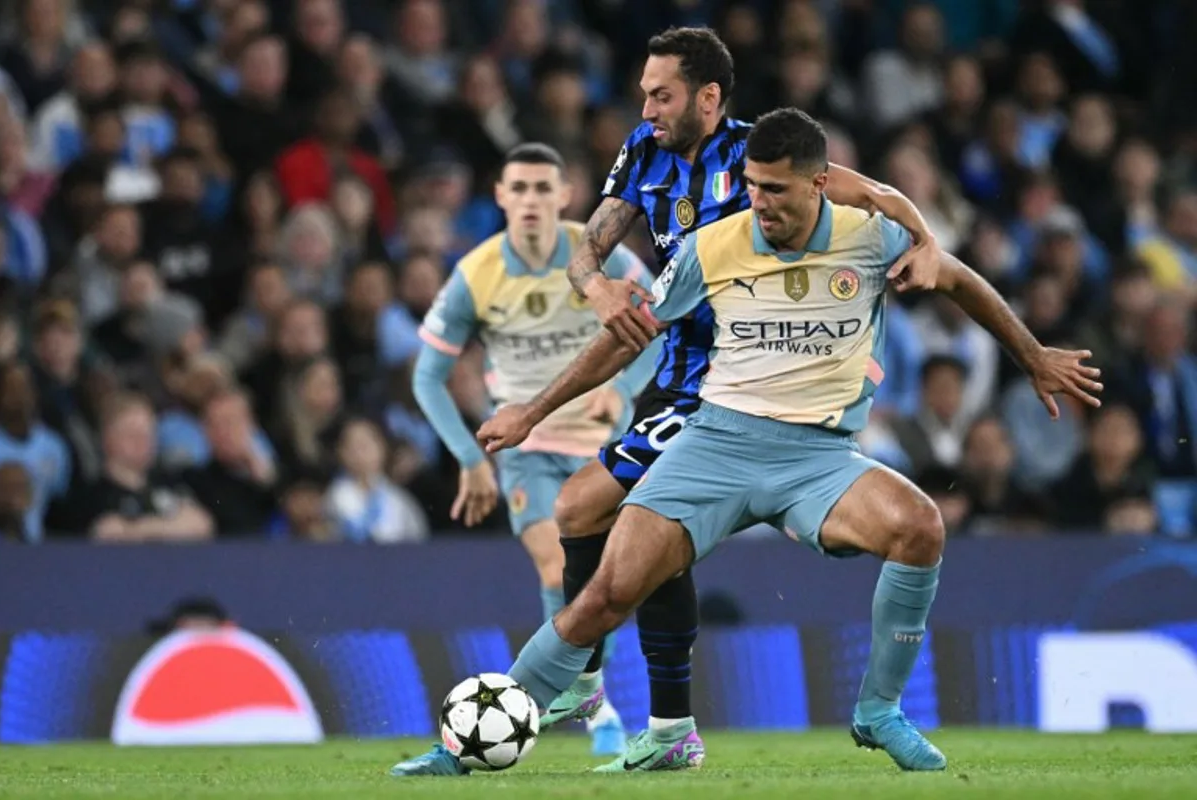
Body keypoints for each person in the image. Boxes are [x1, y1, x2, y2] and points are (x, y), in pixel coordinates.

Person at [396, 107, 1102, 778]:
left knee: (920, 527)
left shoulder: (870, 236)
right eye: (752, 187)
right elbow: (628, 337)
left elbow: (958, 279)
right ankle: (461, 745)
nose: (758, 203)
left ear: (819, 184)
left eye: (774, 189)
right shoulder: (715, 244)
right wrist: (532, 410)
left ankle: (878, 710)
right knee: (604, 594)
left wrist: (1033, 354)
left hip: (818, 459)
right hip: (714, 447)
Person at [411, 142, 661, 756]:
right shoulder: (476, 273)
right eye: (517, 189)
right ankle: (590, 696)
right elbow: (427, 376)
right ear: (499, 197)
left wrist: (623, 391)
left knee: (614, 583)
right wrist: (471, 459)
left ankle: (595, 692)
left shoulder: (601, 257)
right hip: (529, 446)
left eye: (541, 188)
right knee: (556, 567)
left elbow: (661, 324)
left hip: (604, 446)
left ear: (564, 196)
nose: (529, 200)